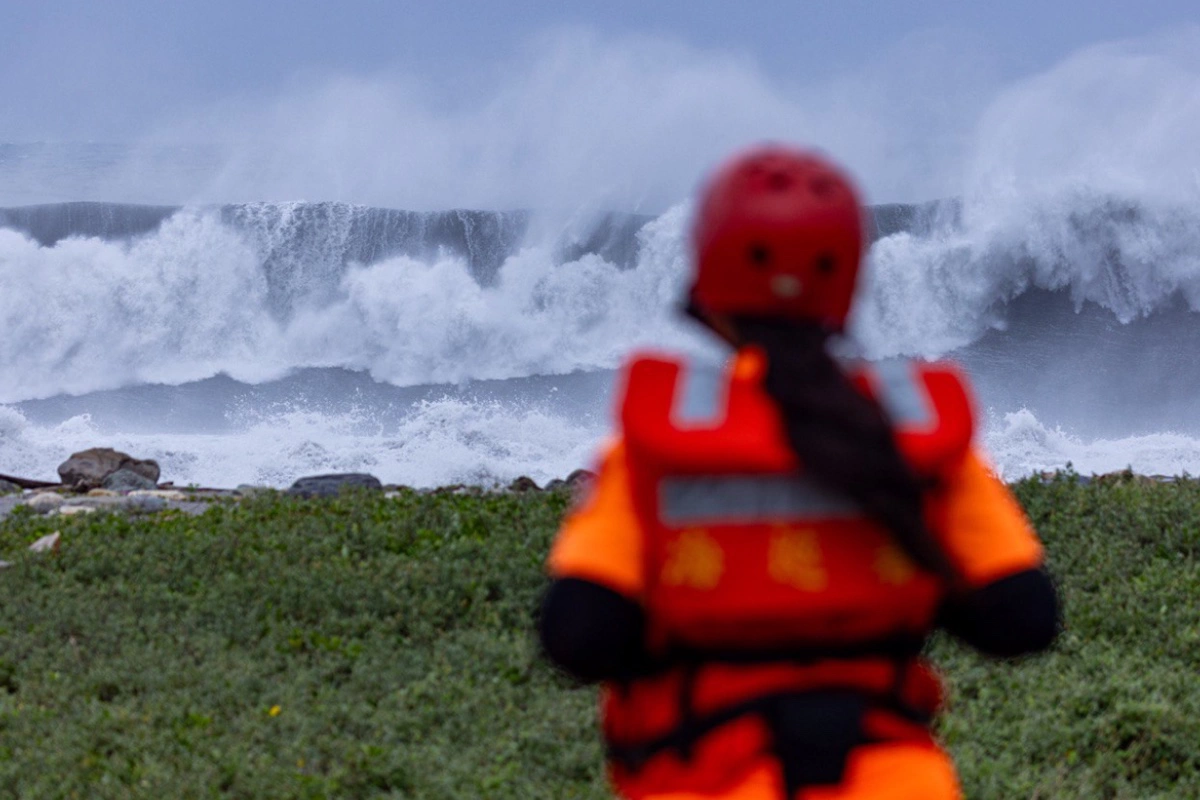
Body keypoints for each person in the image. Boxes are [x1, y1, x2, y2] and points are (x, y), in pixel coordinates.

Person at [539, 145, 1059, 800]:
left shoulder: (656, 449)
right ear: (847, 279)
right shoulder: (912, 438)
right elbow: (1024, 618)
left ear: (710, 274)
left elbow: (577, 636)